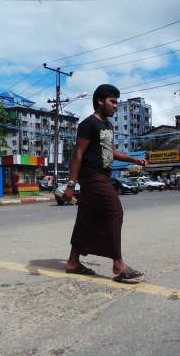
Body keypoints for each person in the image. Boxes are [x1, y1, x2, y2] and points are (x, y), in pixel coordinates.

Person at [62, 84, 147, 282]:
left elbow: (111, 152)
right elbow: (78, 154)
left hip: (103, 174)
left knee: (87, 219)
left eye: (117, 102)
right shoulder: (88, 124)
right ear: (100, 101)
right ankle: (118, 263)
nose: (115, 106)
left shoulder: (107, 126)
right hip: (92, 176)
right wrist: (70, 184)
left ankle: (73, 262)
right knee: (114, 212)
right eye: (112, 101)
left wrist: (133, 159)